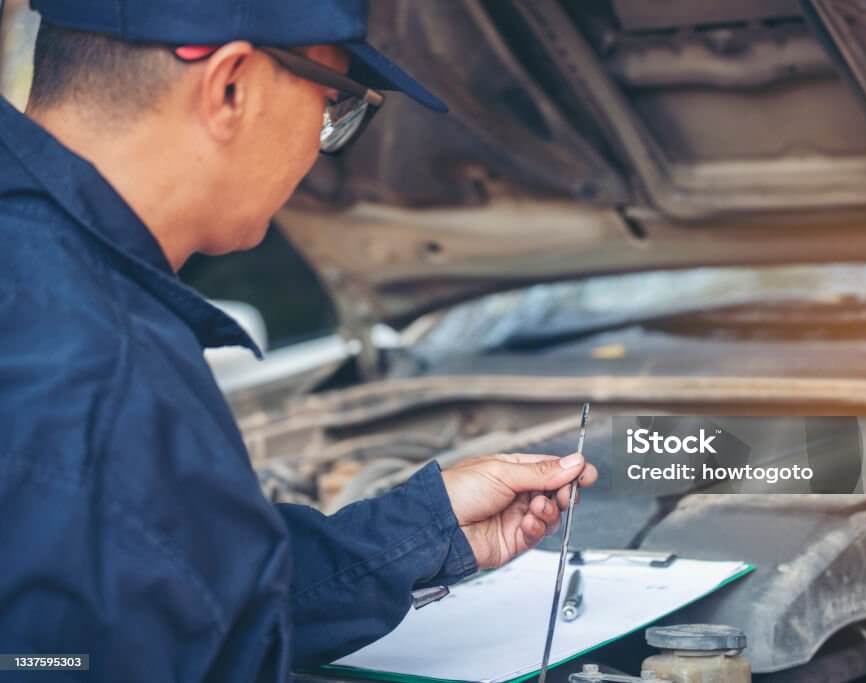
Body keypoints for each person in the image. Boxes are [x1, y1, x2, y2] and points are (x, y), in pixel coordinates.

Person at [0, 1, 598, 681]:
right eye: (331, 103)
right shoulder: (99, 382)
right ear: (230, 87)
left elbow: (173, 588)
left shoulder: (43, 294)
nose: (320, 144)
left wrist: (422, 530)